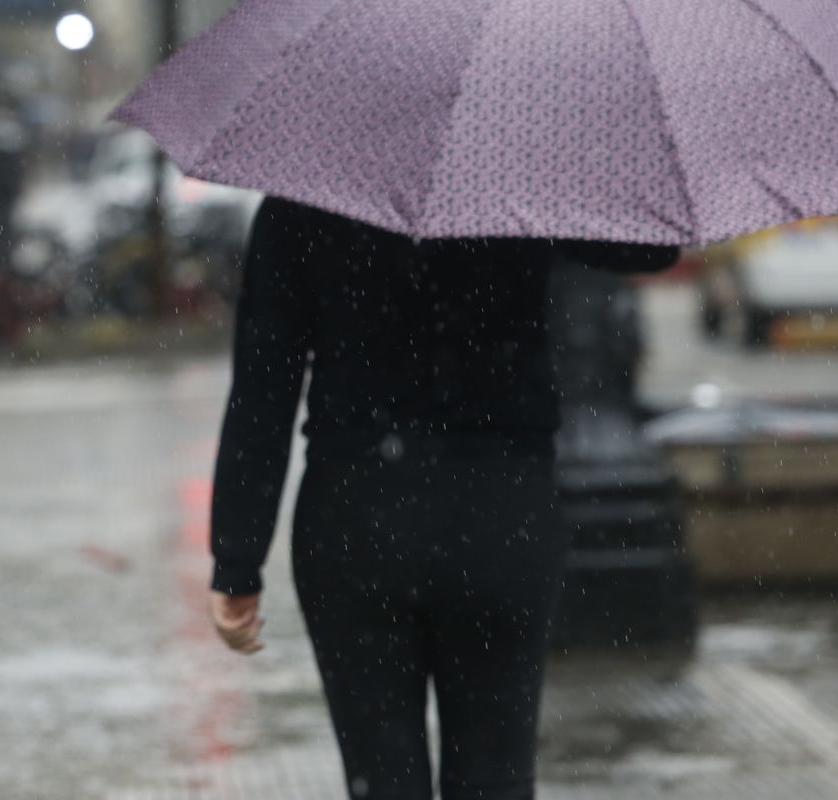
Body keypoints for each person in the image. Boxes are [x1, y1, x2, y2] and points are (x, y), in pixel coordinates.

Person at [208, 198, 678, 800]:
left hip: (357, 515)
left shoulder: (304, 201)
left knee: (381, 778)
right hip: (497, 515)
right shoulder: (514, 186)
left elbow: (262, 385)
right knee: (494, 776)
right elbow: (651, 246)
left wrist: (237, 559)